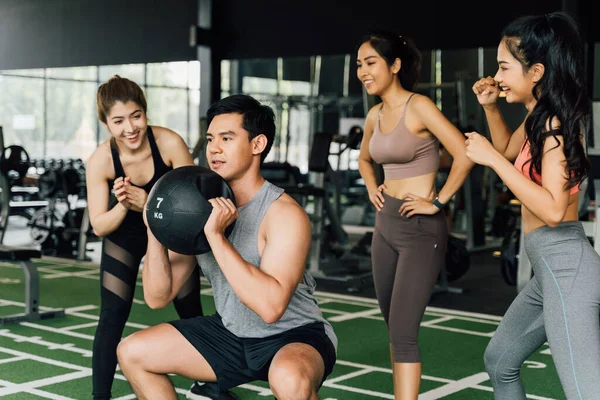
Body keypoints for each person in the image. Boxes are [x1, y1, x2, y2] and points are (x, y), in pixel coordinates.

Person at [115, 94, 338, 400]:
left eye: (227, 138)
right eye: (210, 139)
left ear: (257, 145)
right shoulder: (198, 207)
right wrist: (156, 225)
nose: (214, 149)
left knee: (289, 380)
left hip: (293, 335)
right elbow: (157, 296)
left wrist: (217, 238)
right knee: (132, 351)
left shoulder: (283, 214)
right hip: (231, 333)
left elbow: (271, 308)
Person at [467, 11, 600, 399]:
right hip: (549, 273)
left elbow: (555, 209)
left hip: (566, 270)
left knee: (586, 392)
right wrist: (492, 107)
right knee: (499, 362)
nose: (498, 76)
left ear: (537, 71)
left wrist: (490, 159)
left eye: (504, 67)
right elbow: (509, 153)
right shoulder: (536, 120)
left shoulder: (555, 126)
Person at [86, 75, 231, 400]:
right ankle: (100, 396)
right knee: (112, 314)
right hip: (123, 234)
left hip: (172, 231)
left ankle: (209, 382)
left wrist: (146, 201)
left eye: (136, 116)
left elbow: (197, 198)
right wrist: (125, 205)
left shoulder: (167, 143)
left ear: (145, 112)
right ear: (105, 122)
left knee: (189, 306)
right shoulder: (101, 160)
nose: (130, 128)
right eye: (118, 121)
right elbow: (99, 225)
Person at [356, 31, 473, 398]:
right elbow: (363, 158)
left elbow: (466, 153)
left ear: (394, 65)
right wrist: (372, 185)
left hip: (420, 227)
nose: (362, 71)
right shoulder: (374, 113)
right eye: (359, 65)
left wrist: (438, 202)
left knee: (404, 334)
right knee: (394, 326)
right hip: (384, 224)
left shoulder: (419, 106)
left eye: (370, 63)